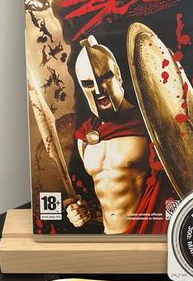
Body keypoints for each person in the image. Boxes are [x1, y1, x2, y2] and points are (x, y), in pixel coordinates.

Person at [66, 36, 170, 234]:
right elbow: (108, 201)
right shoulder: (85, 137)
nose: (98, 90)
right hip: (108, 236)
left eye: (105, 78)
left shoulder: (150, 126)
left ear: (119, 77)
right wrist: (85, 212)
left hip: (147, 234)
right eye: (88, 84)